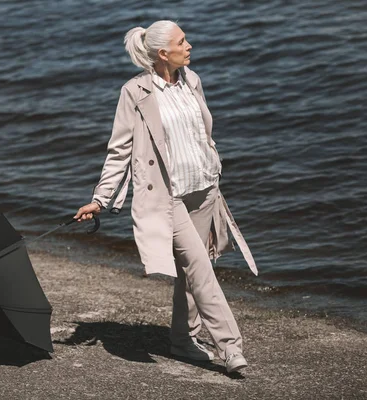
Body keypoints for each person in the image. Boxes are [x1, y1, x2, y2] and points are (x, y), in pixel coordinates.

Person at [73, 20, 257, 374]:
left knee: (191, 273)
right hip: (167, 197)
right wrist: (101, 198)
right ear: (162, 53)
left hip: (203, 189)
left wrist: (214, 169)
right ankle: (231, 349)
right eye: (182, 41)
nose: (189, 46)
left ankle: (181, 340)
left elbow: (201, 133)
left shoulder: (192, 80)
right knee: (201, 270)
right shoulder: (136, 93)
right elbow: (119, 149)